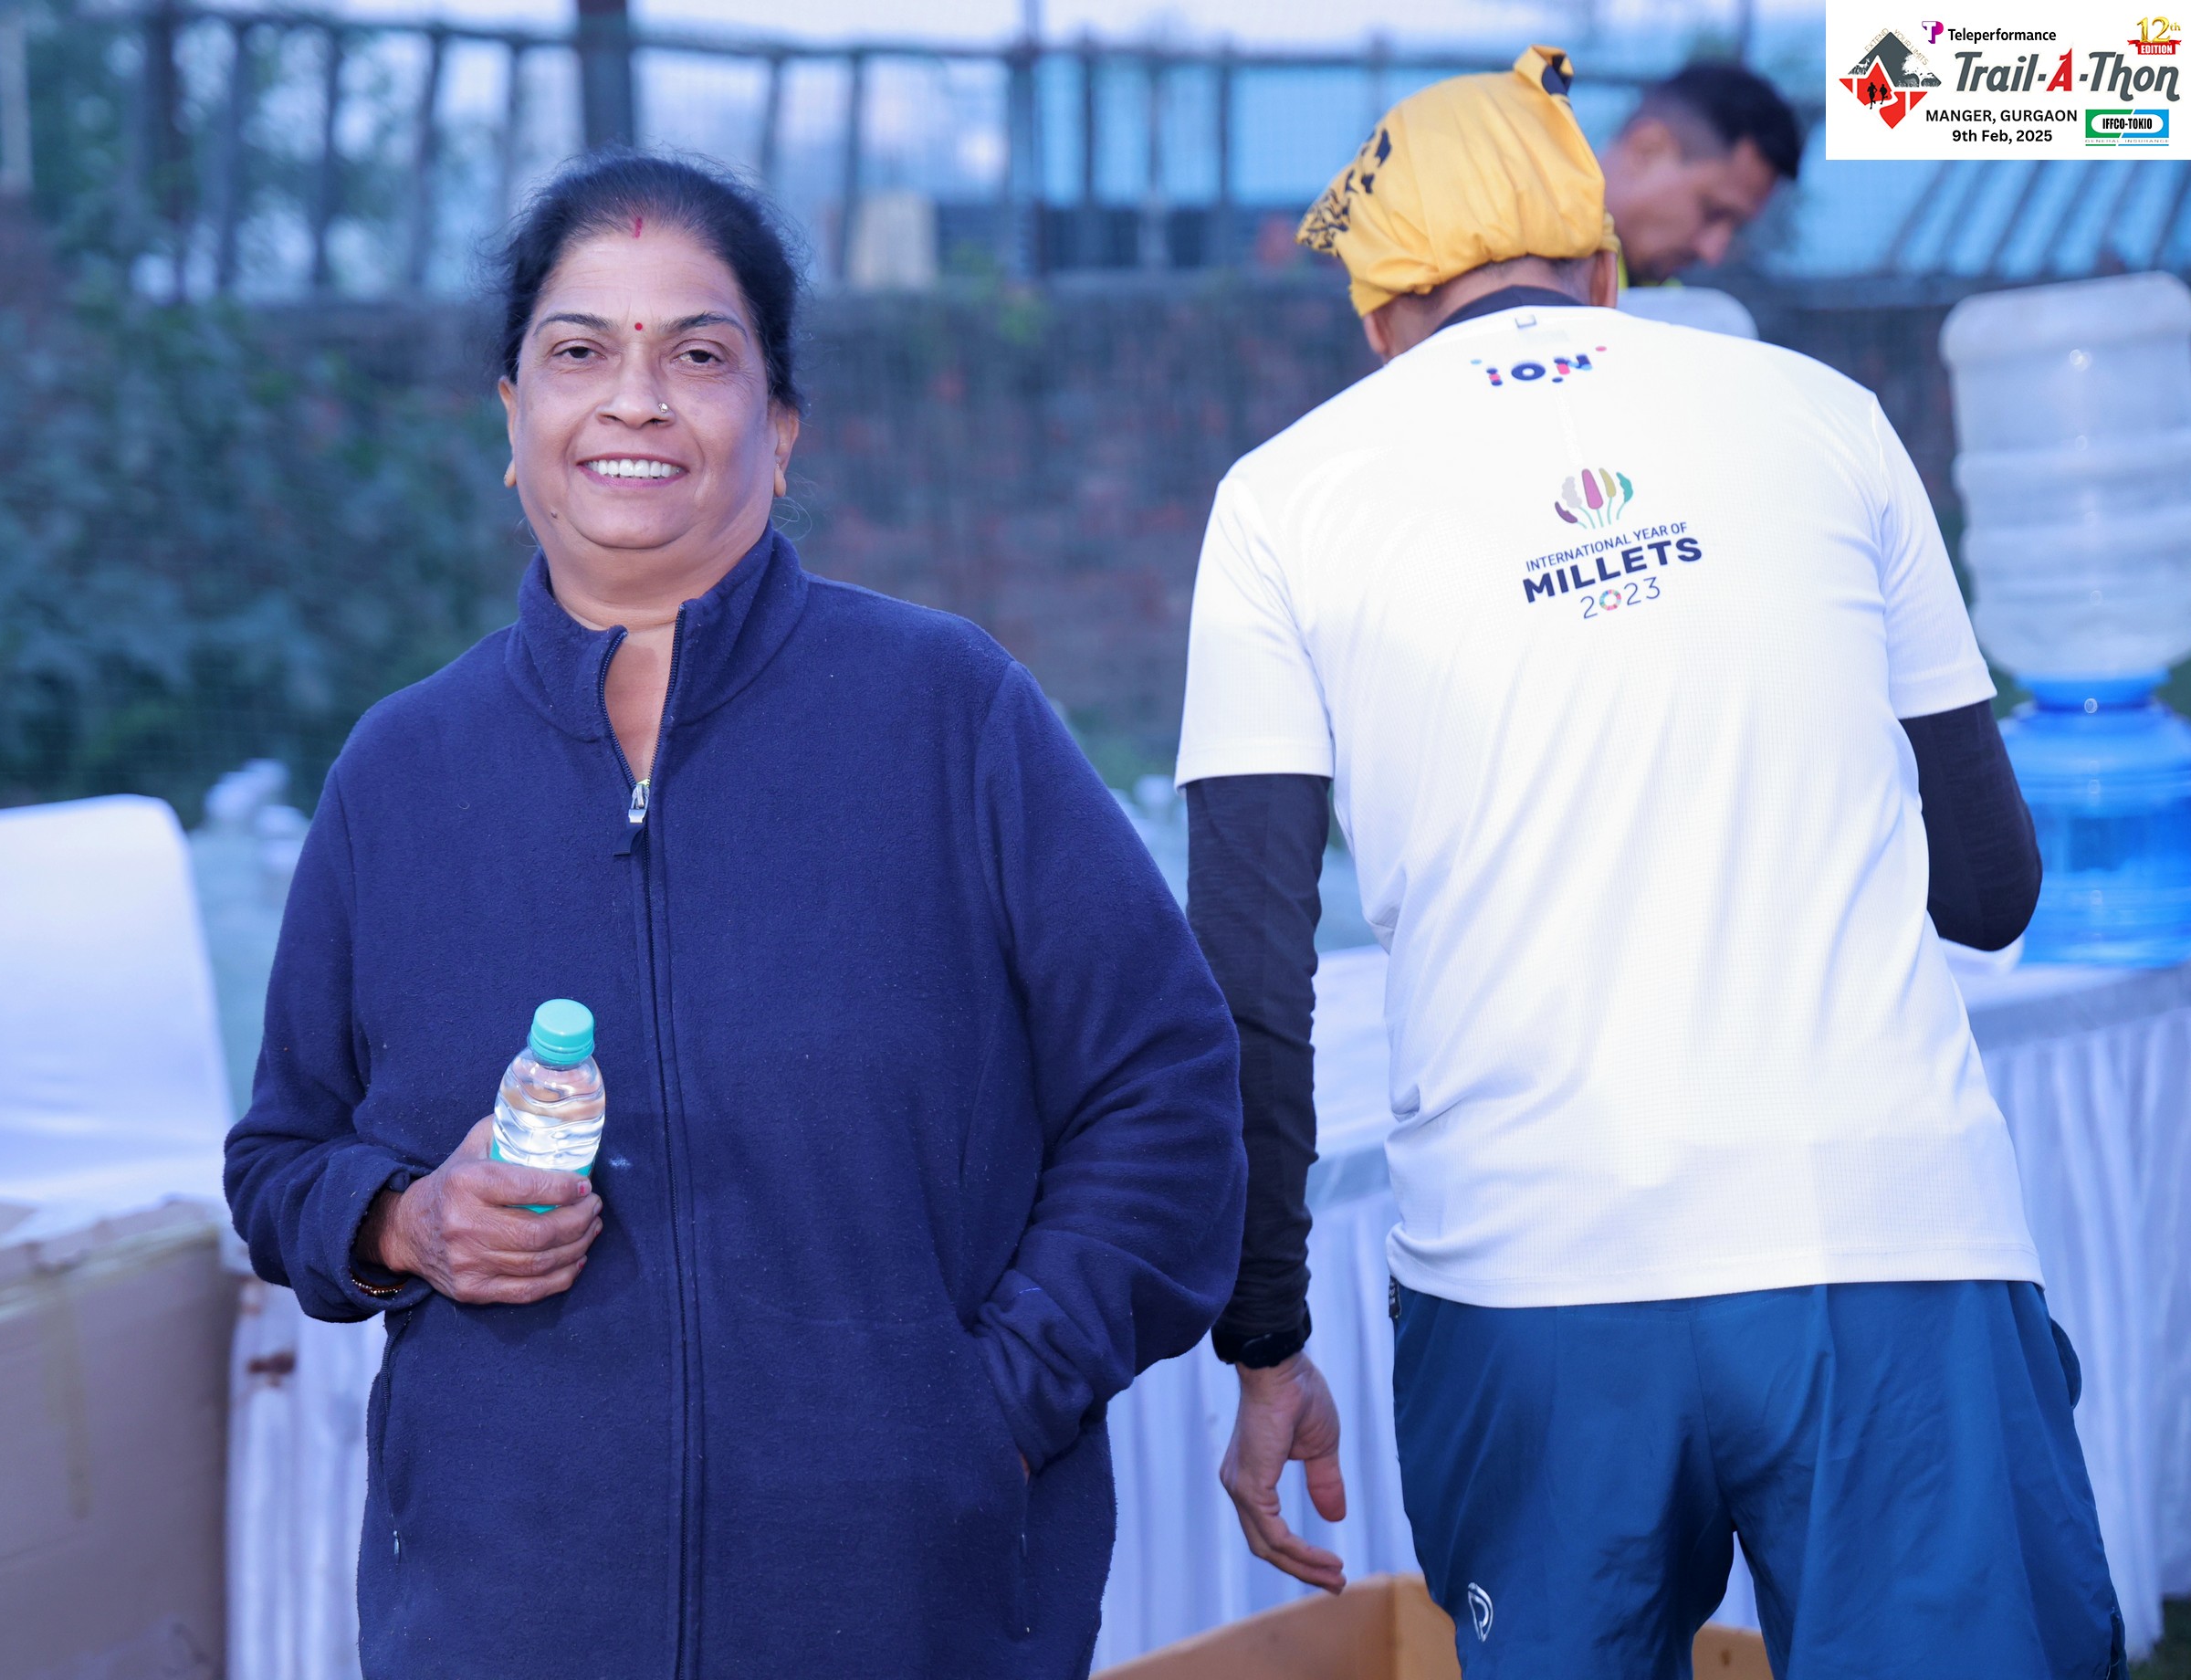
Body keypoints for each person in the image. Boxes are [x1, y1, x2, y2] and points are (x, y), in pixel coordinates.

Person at [223, 152, 1246, 1678]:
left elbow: (1165, 1094)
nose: (633, 401)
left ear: (780, 426)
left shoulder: (946, 717)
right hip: (506, 1620)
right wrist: (405, 1221)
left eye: (697, 356)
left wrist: (987, 1410)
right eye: (580, 351)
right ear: (511, 416)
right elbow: (279, 1163)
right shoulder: (403, 774)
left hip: (900, 1616)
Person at [1181, 45, 2125, 1679]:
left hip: (1532, 1275)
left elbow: (1247, 987)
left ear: (1381, 316)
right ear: (1606, 267)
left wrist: (1266, 1338)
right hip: (1889, 1236)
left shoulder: (1282, 501)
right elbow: (1992, 890)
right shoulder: (1827, 415)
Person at [1600, 61, 1801, 282]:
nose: (1712, 252)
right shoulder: (1574, 278)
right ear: (1647, 149)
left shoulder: (1663, 295)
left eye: (1735, 229)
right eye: (1712, 212)